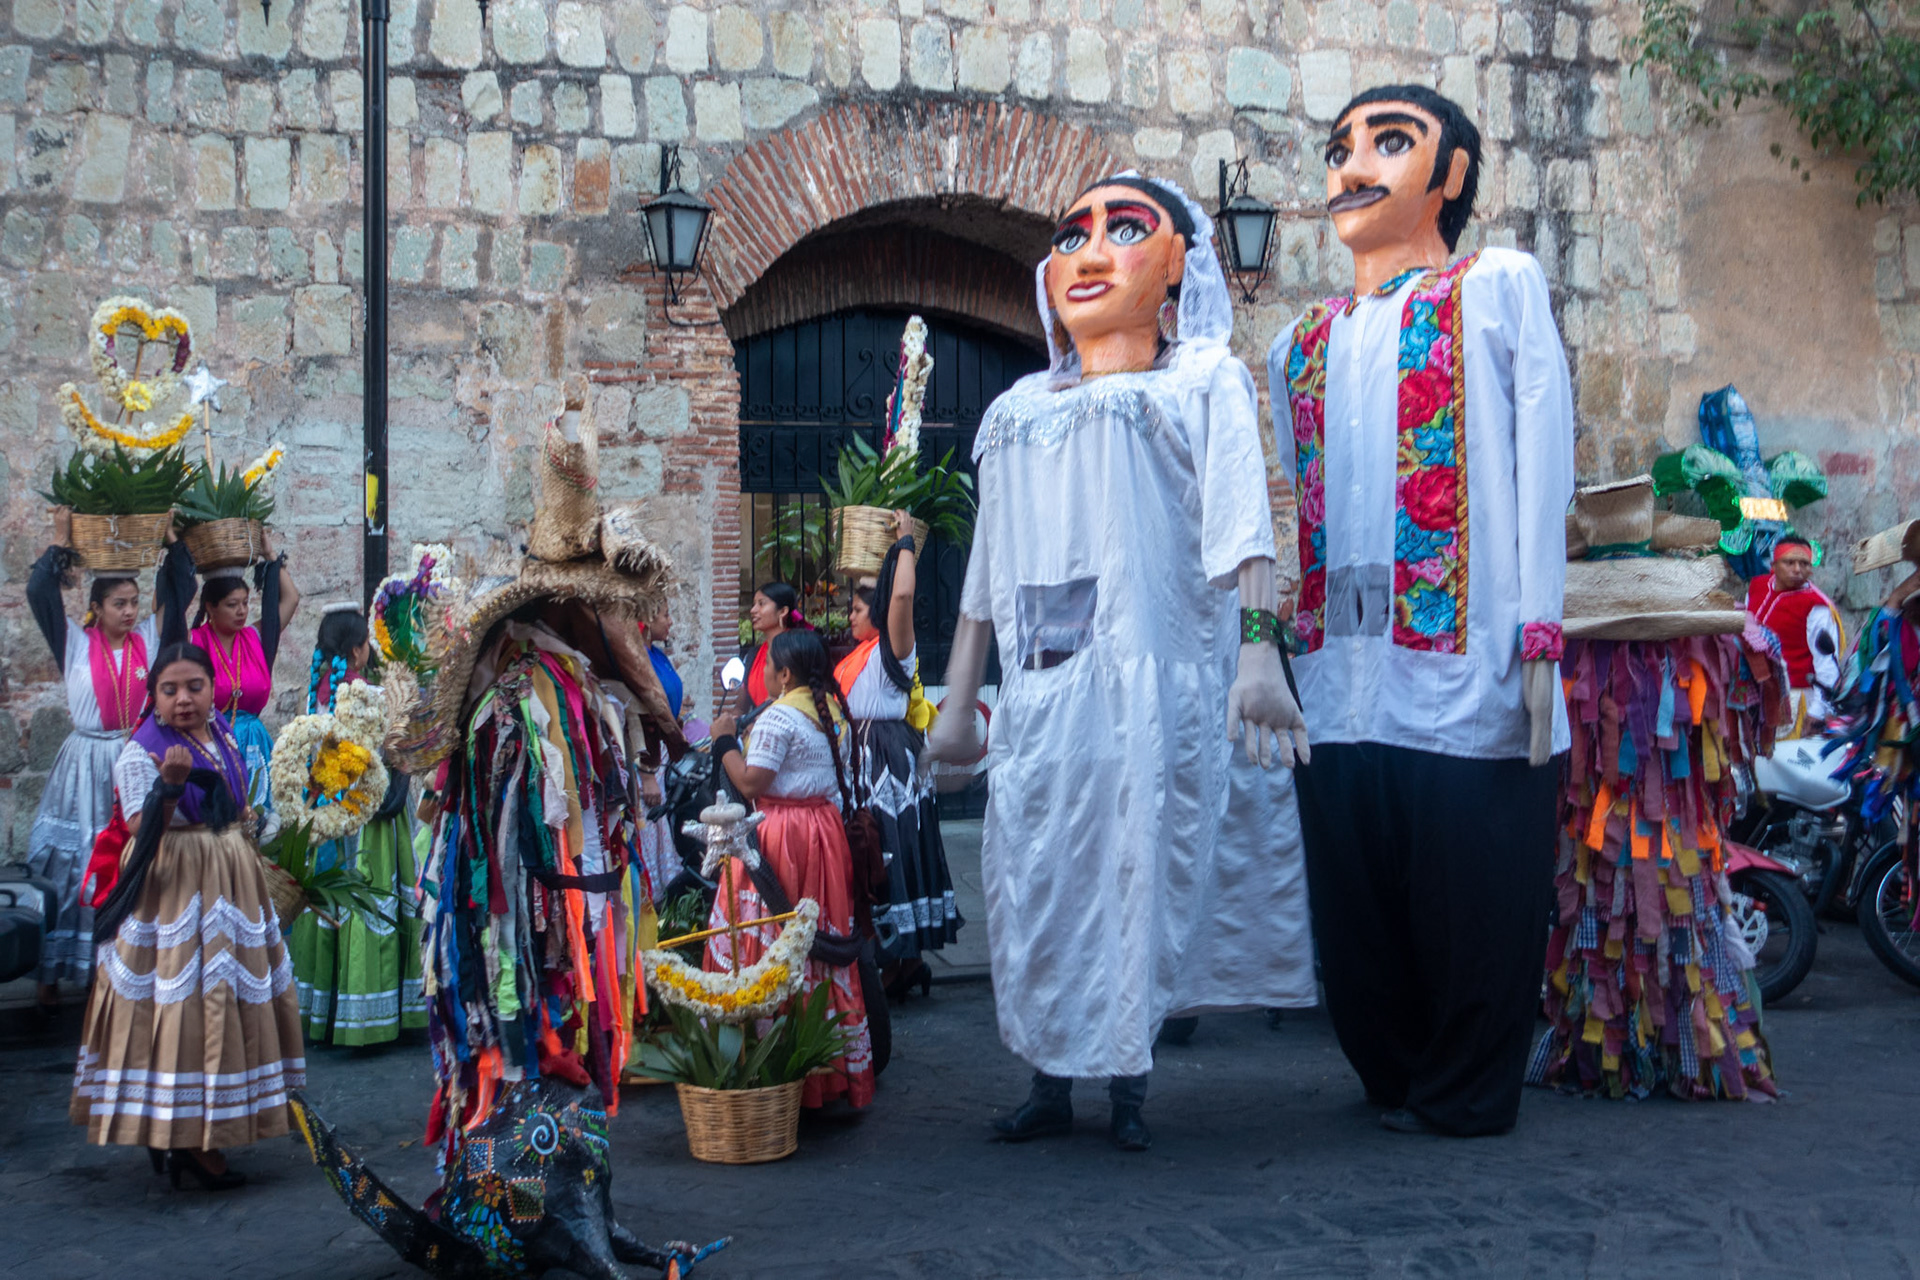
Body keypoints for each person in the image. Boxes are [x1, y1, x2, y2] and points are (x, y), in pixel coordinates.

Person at [926, 173, 1317, 1153]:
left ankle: (1130, 1086)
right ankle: (1048, 1083)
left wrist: (1259, 656)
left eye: (1127, 229)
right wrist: (961, 698)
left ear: (1180, 263)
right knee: (1036, 882)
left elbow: (1242, 521)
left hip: (1154, 684)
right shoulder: (1017, 408)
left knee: (1135, 879)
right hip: (1045, 696)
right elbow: (989, 565)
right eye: (1071, 235)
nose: (1090, 252)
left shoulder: (1203, 381)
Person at [1267, 84, 1574, 1137]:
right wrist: (1272, 649)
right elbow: (1290, 504)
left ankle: (1467, 1086)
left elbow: (1543, 460)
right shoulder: (1296, 342)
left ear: (1449, 177)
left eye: (1390, 144)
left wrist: (1539, 634)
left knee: (1475, 895)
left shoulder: (1496, 288)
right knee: (1357, 906)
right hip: (1339, 679)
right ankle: (1389, 1073)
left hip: (1468, 663)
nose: (1351, 167)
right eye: (1339, 146)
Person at [70, 642, 306, 1189]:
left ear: (212, 691)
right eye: (170, 690)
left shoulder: (221, 732)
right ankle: (180, 1135)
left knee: (226, 1000)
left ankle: (210, 1127)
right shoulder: (143, 750)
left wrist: (250, 818)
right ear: (152, 698)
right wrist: (169, 788)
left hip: (229, 878)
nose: (183, 700)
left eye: (194, 688)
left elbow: (230, 796)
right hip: (175, 887)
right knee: (183, 1005)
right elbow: (137, 827)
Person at [22, 511, 193, 1012]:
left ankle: (121, 961)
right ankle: (52, 969)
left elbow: (178, 593)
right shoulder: (74, 643)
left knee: (132, 857)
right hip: (84, 761)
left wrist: (170, 542)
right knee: (75, 861)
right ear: (95, 608)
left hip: (131, 757)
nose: (129, 610)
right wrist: (58, 539)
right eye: (119, 603)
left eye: (134, 602)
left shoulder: (147, 640)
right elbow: (39, 593)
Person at [706, 628, 876, 1110]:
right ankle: (825, 1069)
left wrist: (723, 742)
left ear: (783, 674)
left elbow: (750, 780)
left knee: (770, 935)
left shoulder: (780, 717)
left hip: (781, 834)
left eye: (767, 667)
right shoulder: (832, 713)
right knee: (815, 942)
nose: (760, 673)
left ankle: (770, 1067)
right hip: (822, 833)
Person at [287, 603, 425, 1047]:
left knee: (330, 903)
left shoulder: (318, 692)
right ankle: (370, 1012)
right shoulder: (365, 694)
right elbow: (384, 752)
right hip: (364, 815)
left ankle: (323, 1009)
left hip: (326, 813)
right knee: (368, 897)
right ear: (358, 649)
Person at [837, 509, 960, 992]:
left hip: (888, 763)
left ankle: (897, 963)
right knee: (876, 854)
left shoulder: (895, 647)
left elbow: (902, 594)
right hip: (869, 759)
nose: (850, 613)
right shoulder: (858, 654)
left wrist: (904, 541)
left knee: (890, 853)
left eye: (858, 606)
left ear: (881, 611)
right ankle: (905, 965)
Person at [190, 552, 301, 810]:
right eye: (232, 605)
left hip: (254, 743)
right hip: (212, 741)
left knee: (263, 822)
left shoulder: (254, 637)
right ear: (210, 607)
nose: (241, 611)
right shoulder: (194, 641)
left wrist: (271, 556)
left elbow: (291, 599)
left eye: (245, 603)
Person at [1746, 536, 1844, 735]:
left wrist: (1817, 711)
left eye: (1804, 564)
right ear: (1774, 565)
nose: (1798, 569)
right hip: (1753, 694)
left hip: (1794, 700)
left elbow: (1827, 665)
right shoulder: (1757, 586)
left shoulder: (1816, 607)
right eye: (1789, 562)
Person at [732, 582, 806, 713]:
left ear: (783, 611)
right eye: (754, 604)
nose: (753, 610)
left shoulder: (799, 651)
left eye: (761, 604)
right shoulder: (753, 655)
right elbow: (740, 706)